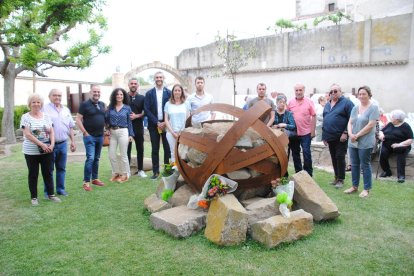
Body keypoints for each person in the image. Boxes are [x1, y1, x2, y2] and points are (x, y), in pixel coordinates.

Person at [20, 94, 61, 206]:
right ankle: (34, 197)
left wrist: (52, 145)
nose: (36, 104)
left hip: (47, 150)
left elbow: (52, 131)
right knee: (33, 174)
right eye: (33, 102)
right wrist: (41, 144)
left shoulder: (46, 116)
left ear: (41, 104)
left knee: (48, 173)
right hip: (31, 152)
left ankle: (51, 195)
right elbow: (27, 134)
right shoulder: (25, 117)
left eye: (38, 102)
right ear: (29, 104)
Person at [344, 86, 379, 198]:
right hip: (353, 140)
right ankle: (354, 186)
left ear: (369, 95)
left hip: (365, 140)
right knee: (354, 164)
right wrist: (350, 134)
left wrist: (357, 135)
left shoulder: (374, 108)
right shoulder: (355, 108)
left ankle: (366, 189)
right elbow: (350, 122)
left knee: (365, 164)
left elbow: (371, 125)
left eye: (364, 94)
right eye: (360, 94)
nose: (362, 96)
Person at [43, 88, 76, 197]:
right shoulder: (44, 109)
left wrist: (73, 141)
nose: (57, 97)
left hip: (63, 144)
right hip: (49, 144)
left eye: (59, 95)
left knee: (61, 168)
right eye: (55, 95)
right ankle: (48, 192)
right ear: (50, 97)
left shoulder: (66, 109)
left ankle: (60, 190)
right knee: (49, 169)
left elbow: (70, 126)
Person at [322, 84, 354, 188]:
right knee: (333, 157)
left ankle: (341, 179)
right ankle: (336, 177)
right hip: (330, 136)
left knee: (340, 156)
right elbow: (325, 120)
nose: (333, 93)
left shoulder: (347, 103)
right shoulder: (327, 104)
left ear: (341, 91)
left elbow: (352, 119)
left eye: (335, 91)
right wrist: (324, 136)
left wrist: (345, 132)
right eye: (331, 92)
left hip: (341, 136)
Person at [76, 85, 106, 191]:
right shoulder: (84, 105)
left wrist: (105, 129)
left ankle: (95, 179)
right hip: (90, 137)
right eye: (94, 92)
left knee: (96, 159)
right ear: (90, 92)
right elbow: (78, 119)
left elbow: (104, 118)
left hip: (100, 136)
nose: (96, 93)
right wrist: (85, 132)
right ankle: (86, 182)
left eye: (98, 92)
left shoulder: (102, 104)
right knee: (90, 158)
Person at [144, 71, 171, 179]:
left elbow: (171, 108)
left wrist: (165, 121)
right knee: (155, 149)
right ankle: (156, 172)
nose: (159, 79)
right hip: (153, 124)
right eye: (157, 77)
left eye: (160, 77)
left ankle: (167, 170)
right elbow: (146, 109)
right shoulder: (149, 93)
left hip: (166, 124)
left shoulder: (169, 93)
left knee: (167, 148)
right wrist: (157, 122)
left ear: (163, 78)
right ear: (154, 79)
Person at [287, 83, 316, 176]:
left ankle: (308, 174)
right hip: (294, 133)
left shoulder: (309, 101)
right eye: (296, 90)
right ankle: (299, 174)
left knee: (306, 153)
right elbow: (287, 116)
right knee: (295, 154)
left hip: (306, 132)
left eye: (300, 90)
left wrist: (313, 131)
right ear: (294, 91)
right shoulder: (290, 102)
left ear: (304, 90)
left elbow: (314, 115)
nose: (298, 92)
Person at [106, 88, 134, 183]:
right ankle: (116, 173)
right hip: (112, 132)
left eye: (121, 94)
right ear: (114, 96)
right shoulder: (110, 107)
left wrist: (131, 134)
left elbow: (130, 122)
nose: (119, 96)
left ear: (123, 96)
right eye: (117, 94)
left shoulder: (127, 108)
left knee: (123, 154)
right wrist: (107, 129)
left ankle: (126, 174)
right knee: (111, 154)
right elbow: (106, 120)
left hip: (123, 132)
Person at [378, 110, 413, 183]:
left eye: (392, 116)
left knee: (401, 154)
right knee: (382, 152)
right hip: (388, 144)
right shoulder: (390, 124)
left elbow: (410, 140)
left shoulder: (405, 126)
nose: (391, 117)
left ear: (397, 119)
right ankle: (387, 171)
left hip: (401, 146)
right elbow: (381, 131)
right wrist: (381, 135)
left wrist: (399, 144)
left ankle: (401, 176)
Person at [126, 78, 147, 178]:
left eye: (135, 83)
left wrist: (136, 116)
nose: (133, 85)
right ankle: (127, 171)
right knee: (127, 149)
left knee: (140, 149)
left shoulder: (142, 98)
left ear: (137, 85)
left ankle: (140, 170)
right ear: (128, 85)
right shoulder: (124, 97)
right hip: (126, 128)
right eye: (131, 83)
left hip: (138, 127)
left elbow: (145, 112)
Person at [164, 84, 190, 162]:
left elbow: (188, 118)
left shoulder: (186, 103)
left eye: (179, 90)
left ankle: (182, 172)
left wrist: (181, 132)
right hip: (171, 132)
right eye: (175, 90)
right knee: (173, 152)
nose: (177, 92)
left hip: (183, 132)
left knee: (183, 152)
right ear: (173, 92)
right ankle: (174, 171)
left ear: (182, 92)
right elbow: (166, 119)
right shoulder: (168, 104)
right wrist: (172, 132)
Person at [272, 94, 296, 177]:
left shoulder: (288, 114)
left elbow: (293, 126)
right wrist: (274, 126)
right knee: (275, 157)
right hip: (275, 138)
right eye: (280, 102)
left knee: (285, 156)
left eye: (284, 102)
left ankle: (284, 174)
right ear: (277, 103)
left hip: (285, 139)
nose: (282, 104)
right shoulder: (273, 113)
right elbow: (269, 124)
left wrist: (284, 125)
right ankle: (275, 174)